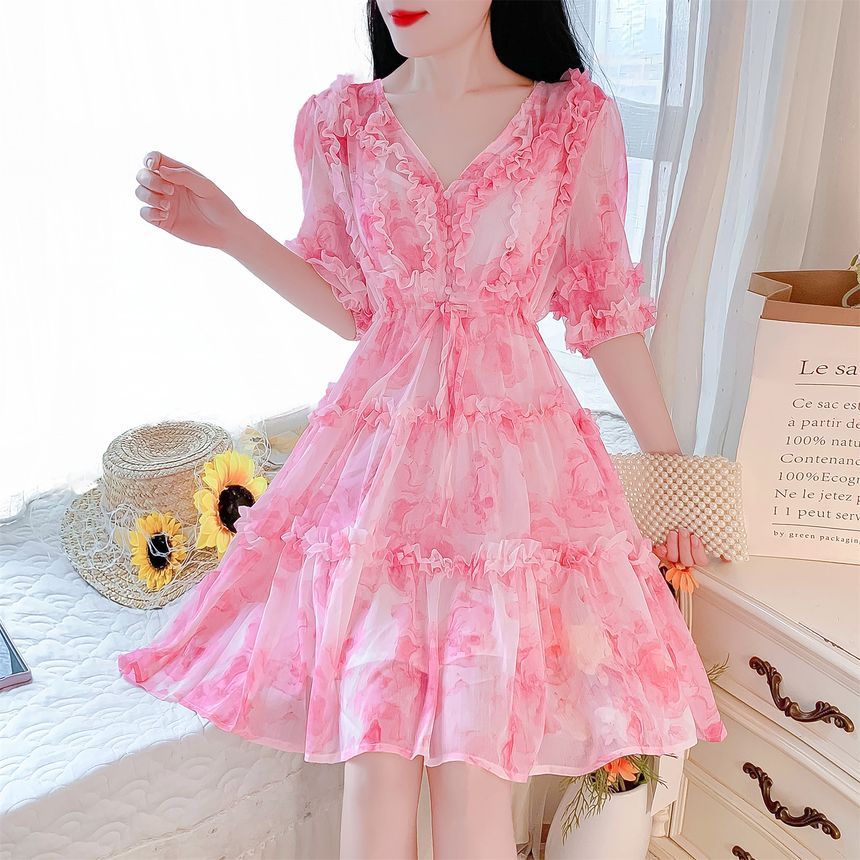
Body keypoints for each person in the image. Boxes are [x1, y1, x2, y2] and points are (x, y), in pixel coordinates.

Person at [122, 2, 728, 858]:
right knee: (373, 771)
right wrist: (231, 232)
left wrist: (675, 477)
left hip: (507, 495)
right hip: (381, 487)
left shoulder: (570, 123)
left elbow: (607, 311)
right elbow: (353, 309)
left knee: (474, 784)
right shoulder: (342, 124)